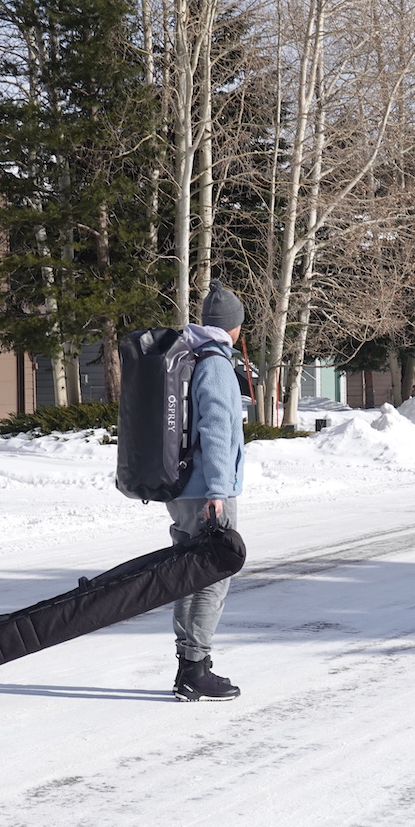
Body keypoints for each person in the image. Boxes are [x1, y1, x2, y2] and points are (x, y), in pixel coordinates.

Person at [169, 279, 247, 702]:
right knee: (211, 578)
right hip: (206, 492)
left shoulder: (192, 357)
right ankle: (195, 669)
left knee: (187, 576)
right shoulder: (216, 365)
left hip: (183, 490)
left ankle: (188, 665)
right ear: (233, 326)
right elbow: (216, 430)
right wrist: (219, 489)